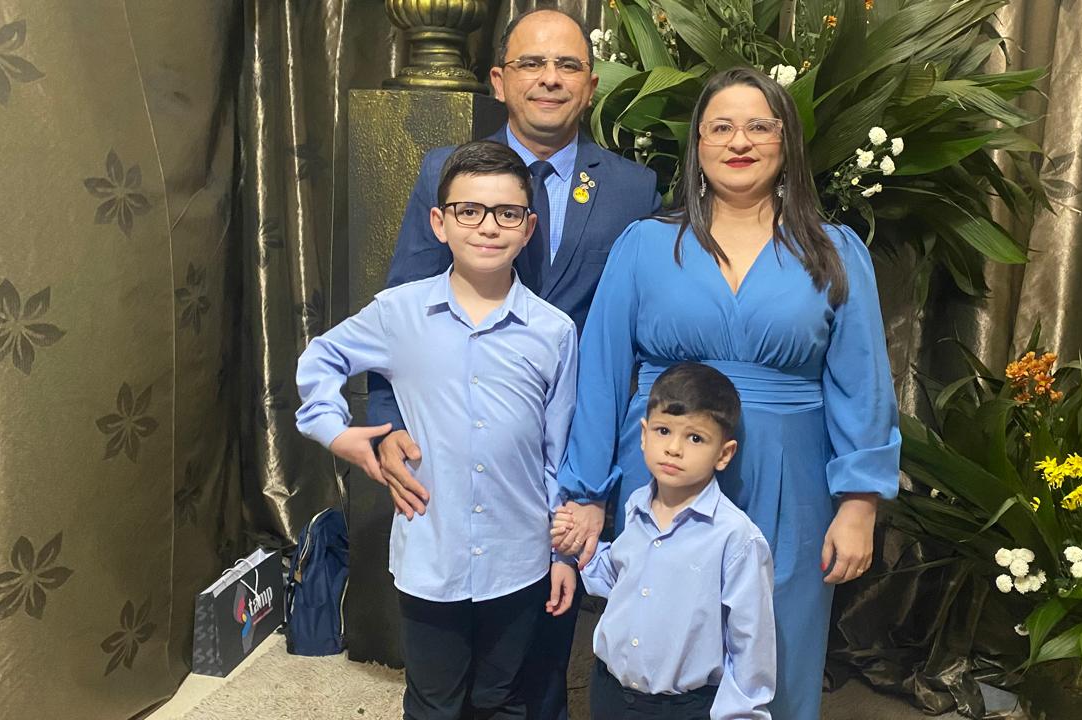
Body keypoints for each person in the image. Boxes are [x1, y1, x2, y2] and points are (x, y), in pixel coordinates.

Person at [551, 67, 902, 720]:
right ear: (699, 144)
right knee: (658, 653)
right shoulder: (645, 246)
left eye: (759, 126)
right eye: (721, 127)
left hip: (789, 483)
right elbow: (600, 376)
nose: (740, 141)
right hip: (663, 473)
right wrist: (587, 494)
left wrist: (860, 503)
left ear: (786, 141)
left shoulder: (834, 251)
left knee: (777, 647)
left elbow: (864, 385)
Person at [367, 8, 660, 719]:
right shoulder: (447, 173)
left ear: (590, 85)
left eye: (567, 66)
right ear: (499, 81)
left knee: (541, 660)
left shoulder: (634, 189)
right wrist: (384, 424)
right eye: (531, 63)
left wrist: (601, 480)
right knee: (444, 666)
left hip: (571, 449)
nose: (549, 79)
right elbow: (400, 312)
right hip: (457, 450)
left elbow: (636, 340)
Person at [296, 140, 579, 719]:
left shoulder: (553, 332)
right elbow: (321, 358)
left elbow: (559, 453)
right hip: (432, 554)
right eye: (468, 210)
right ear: (439, 222)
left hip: (519, 557)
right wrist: (340, 432)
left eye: (507, 213)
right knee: (433, 700)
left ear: (528, 228)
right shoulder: (398, 313)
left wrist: (563, 555)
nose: (488, 226)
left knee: (503, 697)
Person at [555, 362, 776, 720]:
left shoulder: (736, 538)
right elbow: (621, 577)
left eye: (695, 438)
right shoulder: (636, 506)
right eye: (663, 430)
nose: (673, 448)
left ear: (724, 454)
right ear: (643, 435)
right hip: (610, 692)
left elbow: (750, 640)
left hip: (681, 707)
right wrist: (578, 547)